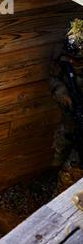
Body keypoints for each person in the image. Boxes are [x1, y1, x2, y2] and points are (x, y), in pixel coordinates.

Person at [49, 18, 83, 194]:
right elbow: (53, 76)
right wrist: (61, 91)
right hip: (70, 119)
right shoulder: (64, 57)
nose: (74, 64)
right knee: (60, 148)